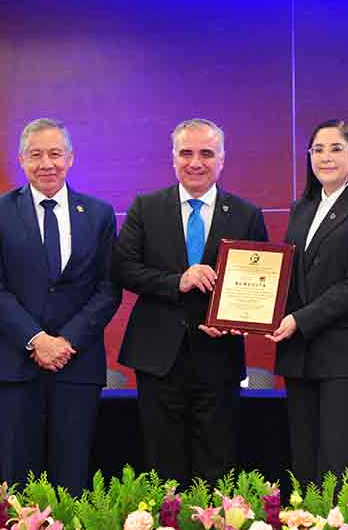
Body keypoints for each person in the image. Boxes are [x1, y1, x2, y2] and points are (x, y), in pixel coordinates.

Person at [111, 118, 268, 486]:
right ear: (173, 158)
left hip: (219, 357)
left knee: (218, 465)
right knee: (162, 466)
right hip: (157, 357)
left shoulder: (246, 214)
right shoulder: (146, 207)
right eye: (186, 153)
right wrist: (176, 281)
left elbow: (261, 284)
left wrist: (238, 321)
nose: (195, 162)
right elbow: (123, 269)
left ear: (222, 160)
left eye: (206, 153)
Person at [0, 118, 120, 494]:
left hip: (77, 363)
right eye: (36, 154)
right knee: (18, 479)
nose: (47, 163)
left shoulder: (100, 214)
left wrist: (66, 340)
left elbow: (108, 289)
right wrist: (37, 339)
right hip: (15, 364)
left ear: (70, 158)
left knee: (72, 477)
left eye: (55, 153)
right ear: (22, 160)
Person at [266, 120, 348, 486]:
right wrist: (253, 313)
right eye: (318, 149)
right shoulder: (301, 208)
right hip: (300, 355)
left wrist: (298, 320)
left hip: (346, 357)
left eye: (336, 148)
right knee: (303, 467)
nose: (325, 157)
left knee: (339, 468)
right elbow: (290, 274)